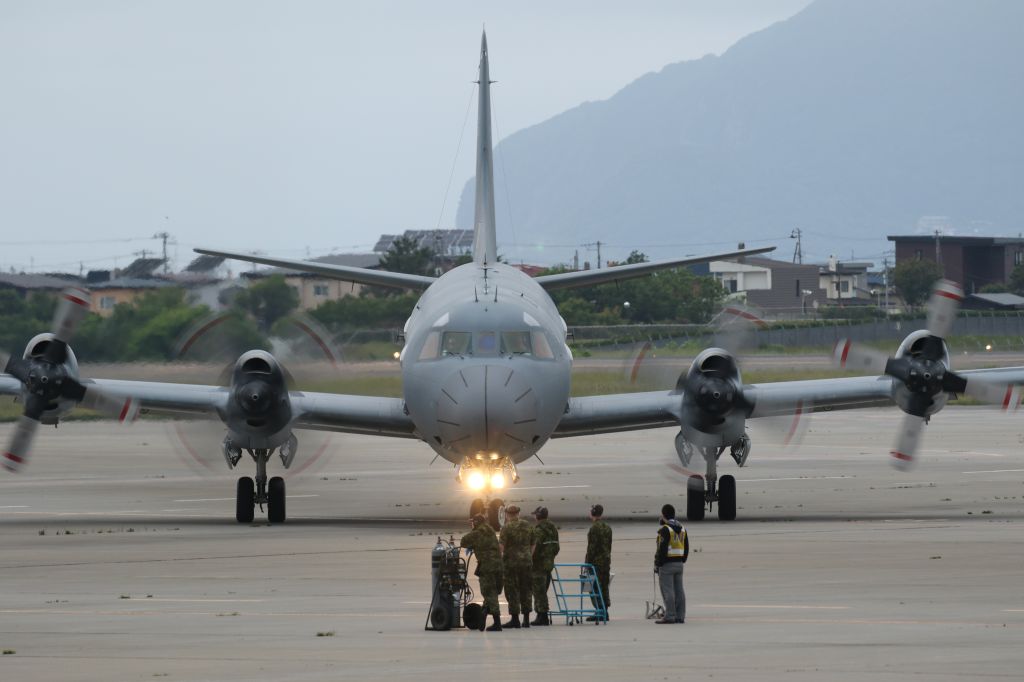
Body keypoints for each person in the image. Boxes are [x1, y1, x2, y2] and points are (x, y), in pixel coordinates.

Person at [461, 513, 504, 631]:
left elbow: (463, 541)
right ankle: (484, 611)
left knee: (490, 594)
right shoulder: (491, 531)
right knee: (494, 592)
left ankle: (497, 623)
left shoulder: (477, 533)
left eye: (472, 523)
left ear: (476, 523)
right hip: (499, 566)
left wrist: (473, 533)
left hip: (487, 567)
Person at [498, 505, 533, 628]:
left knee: (512, 590)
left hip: (511, 564)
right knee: (526, 589)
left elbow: (501, 547)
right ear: (518, 513)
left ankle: (515, 619)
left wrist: (499, 559)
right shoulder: (527, 525)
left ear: (507, 514)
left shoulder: (506, 528)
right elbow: (533, 543)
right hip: (526, 562)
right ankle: (527, 620)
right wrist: (528, 556)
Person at [653, 503, 688, 624]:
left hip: (667, 564)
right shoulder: (682, 528)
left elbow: (661, 549)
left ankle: (670, 616)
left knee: (667, 591)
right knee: (679, 591)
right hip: (679, 563)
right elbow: (686, 547)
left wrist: (658, 563)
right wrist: (682, 560)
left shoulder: (665, 530)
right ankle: (680, 616)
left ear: (663, 515)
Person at [530, 506, 560, 626]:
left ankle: (543, 616)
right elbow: (556, 547)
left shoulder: (538, 530)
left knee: (539, 591)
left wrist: (531, 558)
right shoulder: (553, 528)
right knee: (542, 589)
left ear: (537, 516)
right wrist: (550, 557)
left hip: (538, 564)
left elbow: (534, 548)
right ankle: (541, 615)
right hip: (548, 564)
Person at [584, 503, 612, 621]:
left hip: (596, 563)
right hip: (605, 561)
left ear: (592, 513)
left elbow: (592, 548)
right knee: (604, 587)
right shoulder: (607, 527)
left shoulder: (594, 528)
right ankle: (604, 611)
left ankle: (599, 611)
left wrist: (587, 563)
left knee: (594, 588)